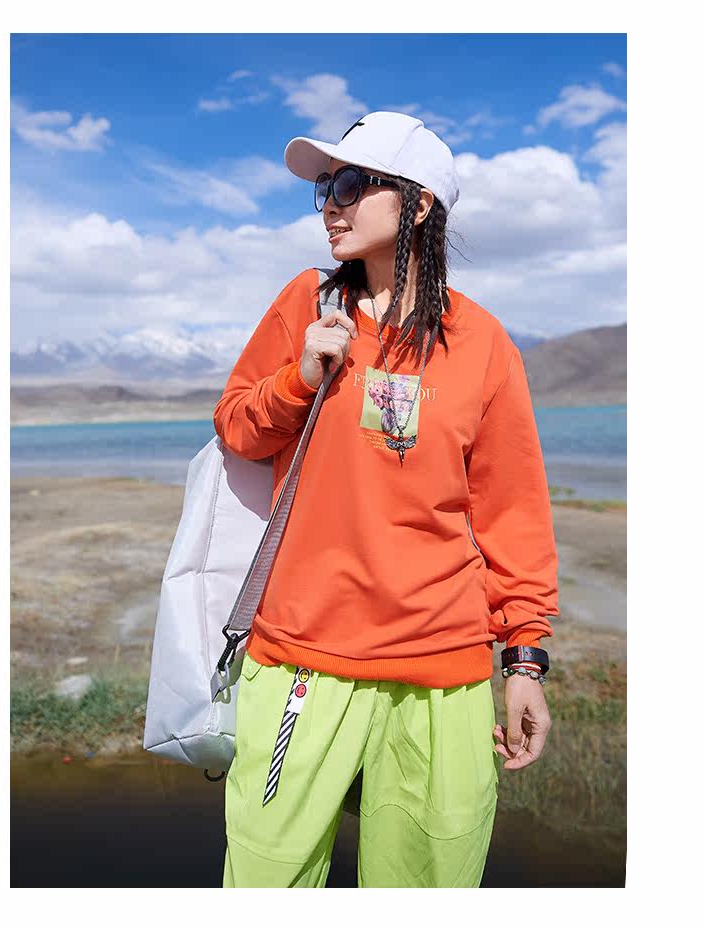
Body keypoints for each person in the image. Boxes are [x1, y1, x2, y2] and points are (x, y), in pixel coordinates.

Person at [213, 111, 559, 888]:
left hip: (444, 669)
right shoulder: (307, 303)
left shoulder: (483, 343)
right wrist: (301, 377)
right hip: (302, 655)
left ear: (420, 203)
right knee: (265, 879)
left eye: (348, 184)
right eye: (323, 189)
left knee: (426, 884)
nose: (329, 205)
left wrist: (525, 660)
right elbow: (237, 427)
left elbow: (513, 513)